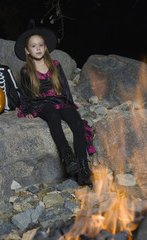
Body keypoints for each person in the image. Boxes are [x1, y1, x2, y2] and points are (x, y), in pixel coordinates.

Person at [14, 27, 94, 186]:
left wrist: (70, 106)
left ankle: (84, 167)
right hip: (41, 103)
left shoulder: (55, 65)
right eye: (33, 46)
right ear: (27, 51)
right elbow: (25, 93)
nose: (38, 49)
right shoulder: (26, 70)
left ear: (46, 47)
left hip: (59, 99)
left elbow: (64, 89)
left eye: (41, 45)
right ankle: (68, 157)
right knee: (53, 116)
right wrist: (27, 110)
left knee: (77, 124)